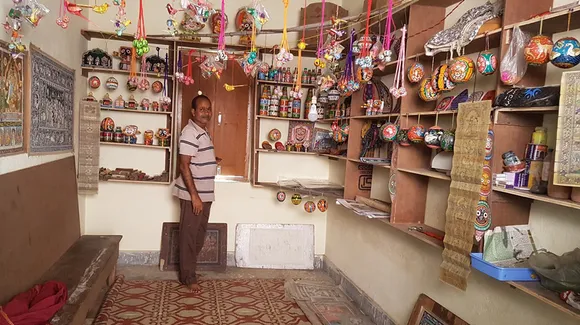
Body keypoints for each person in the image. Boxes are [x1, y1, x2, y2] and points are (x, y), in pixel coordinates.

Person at [172, 92, 218, 293]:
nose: (206, 112)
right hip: (195, 196)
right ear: (193, 112)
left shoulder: (202, 131)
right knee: (189, 237)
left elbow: (195, 158)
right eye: (202, 109)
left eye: (208, 109)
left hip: (205, 194)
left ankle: (189, 270)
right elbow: (184, 166)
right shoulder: (189, 132)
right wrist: (194, 197)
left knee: (198, 236)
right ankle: (188, 278)